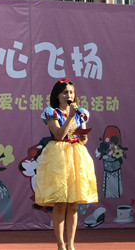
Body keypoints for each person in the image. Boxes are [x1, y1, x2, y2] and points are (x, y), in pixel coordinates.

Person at [34, 79, 98, 250]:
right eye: (65, 93)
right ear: (57, 95)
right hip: (58, 157)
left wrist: (83, 137)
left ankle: (71, 244)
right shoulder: (52, 113)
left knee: (73, 203)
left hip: (76, 156)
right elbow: (59, 135)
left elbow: (83, 140)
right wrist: (70, 116)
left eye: (71, 92)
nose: (69, 95)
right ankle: (60, 244)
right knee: (60, 202)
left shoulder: (80, 113)